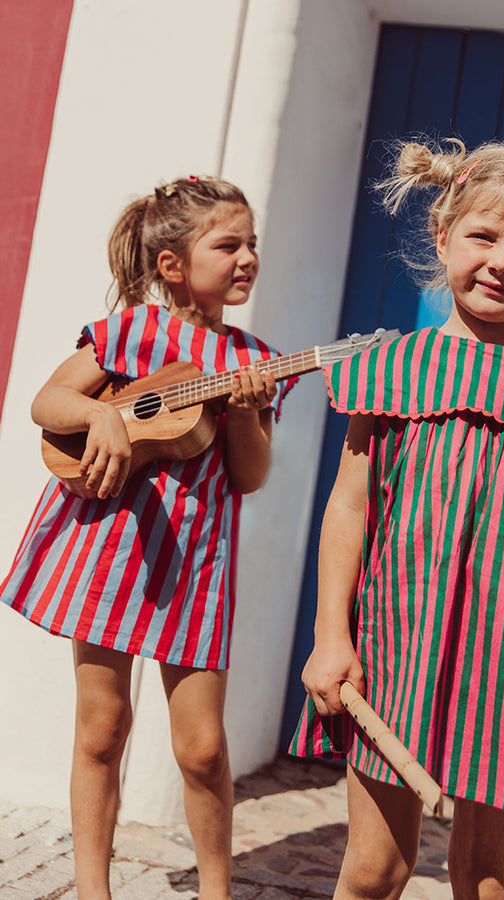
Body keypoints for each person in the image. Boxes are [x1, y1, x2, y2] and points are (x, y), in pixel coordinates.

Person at [291, 140, 504, 900]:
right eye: (484, 236)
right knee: (376, 870)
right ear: (443, 236)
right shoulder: (386, 367)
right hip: (395, 652)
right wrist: (330, 635)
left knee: (485, 878)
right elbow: (349, 507)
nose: (502, 262)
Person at [0, 176, 294, 900]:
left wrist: (250, 415)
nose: (246, 256)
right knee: (102, 727)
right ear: (172, 264)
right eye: (228, 244)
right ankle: (93, 891)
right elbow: (49, 399)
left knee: (202, 748)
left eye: (251, 243)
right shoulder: (129, 333)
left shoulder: (256, 357)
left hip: (196, 566)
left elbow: (250, 478)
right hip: (109, 549)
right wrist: (102, 417)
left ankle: (216, 892)